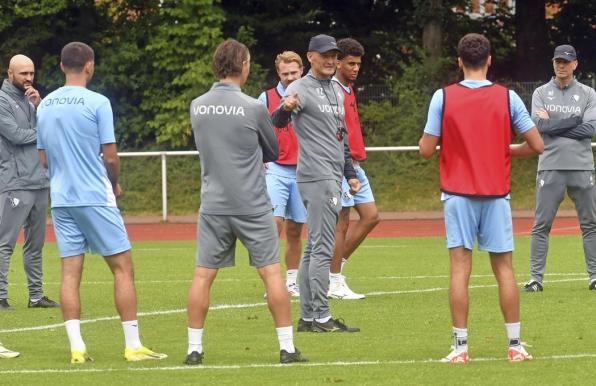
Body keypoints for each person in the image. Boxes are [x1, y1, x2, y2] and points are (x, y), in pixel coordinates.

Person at [37, 42, 167, 364]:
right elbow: (111, 156)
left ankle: (77, 348)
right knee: (123, 268)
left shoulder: (45, 104)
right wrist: (113, 182)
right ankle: (132, 345)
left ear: (61, 64)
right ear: (90, 65)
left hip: (62, 199)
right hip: (94, 196)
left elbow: (42, 158)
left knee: (69, 273)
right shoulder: (98, 102)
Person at [419, 33, 544, 363]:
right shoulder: (508, 98)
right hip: (496, 194)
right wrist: (503, 149)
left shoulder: (442, 97)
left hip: (458, 194)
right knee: (504, 269)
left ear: (459, 61)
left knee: (460, 270)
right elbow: (536, 145)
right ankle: (515, 345)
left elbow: (426, 150)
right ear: (490, 60)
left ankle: (460, 349)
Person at [185, 39, 307, 365]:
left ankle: (194, 349)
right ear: (242, 65)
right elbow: (272, 151)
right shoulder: (253, 106)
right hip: (252, 203)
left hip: (213, 203)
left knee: (202, 276)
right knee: (271, 274)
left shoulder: (197, 105)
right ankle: (287, 348)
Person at [272, 34, 361, 333]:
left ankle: (309, 317)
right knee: (322, 247)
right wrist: (286, 108)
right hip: (316, 175)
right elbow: (277, 121)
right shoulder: (299, 88)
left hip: (332, 176)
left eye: (333, 54)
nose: (330, 59)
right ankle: (321, 316)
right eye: (324, 55)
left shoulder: (336, 90)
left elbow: (342, 137)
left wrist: (350, 172)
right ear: (310, 57)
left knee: (314, 248)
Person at [524, 44, 596, 293]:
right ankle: (535, 279)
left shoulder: (588, 93)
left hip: (582, 167)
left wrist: (553, 124)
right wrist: (571, 121)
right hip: (550, 167)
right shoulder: (541, 93)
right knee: (541, 224)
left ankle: (595, 276)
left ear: (575, 64)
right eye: (557, 61)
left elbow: (590, 129)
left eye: (566, 61)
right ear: (553, 63)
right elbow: (538, 127)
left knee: (590, 224)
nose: (561, 65)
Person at [0, 54, 58, 310]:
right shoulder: (2, 100)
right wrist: (44, 133)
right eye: (23, 73)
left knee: (35, 245)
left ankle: (36, 297)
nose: (29, 78)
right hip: (15, 182)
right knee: (5, 243)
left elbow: (50, 125)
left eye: (31, 73)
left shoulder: (32, 98)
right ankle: (0, 296)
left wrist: (40, 104)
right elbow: (15, 135)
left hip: (40, 181)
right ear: (10, 73)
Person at [329, 38, 380, 300]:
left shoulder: (349, 89)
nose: (355, 68)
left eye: (358, 64)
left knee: (371, 216)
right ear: (337, 62)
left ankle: (334, 269)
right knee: (342, 223)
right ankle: (334, 281)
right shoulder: (332, 90)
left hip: (356, 165)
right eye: (350, 63)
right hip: (340, 165)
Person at [258, 51, 306, 297]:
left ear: (302, 70)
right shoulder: (266, 98)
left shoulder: (310, 94)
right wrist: (259, 157)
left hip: (303, 171)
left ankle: (290, 282)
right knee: (272, 225)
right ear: (278, 73)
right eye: (285, 73)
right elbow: (252, 129)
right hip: (275, 168)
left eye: (294, 72)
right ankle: (272, 283)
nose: (289, 77)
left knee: (296, 229)